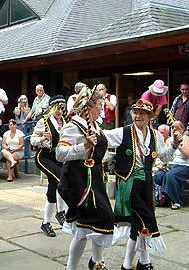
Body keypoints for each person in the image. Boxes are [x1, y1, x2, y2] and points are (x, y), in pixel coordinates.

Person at [104, 99, 182, 270]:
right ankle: (143, 262)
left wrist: (175, 145)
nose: (137, 116)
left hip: (147, 183)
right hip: (129, 184)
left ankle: (133, 264)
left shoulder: (156, 135)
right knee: (145, 220)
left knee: (137, 225)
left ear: (149, 116)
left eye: (142, 113)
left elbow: (165, 156)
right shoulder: (122, 132)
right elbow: (102, 137)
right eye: (135, 112)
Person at [56, 86, 115, 270]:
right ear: (89, 107)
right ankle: (73, 267)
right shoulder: (73, 126)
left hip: (94, 181)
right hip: (78, 181)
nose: (102, 107)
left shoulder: (96, 126)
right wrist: (83, 146)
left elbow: (101, 150)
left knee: (98, 222)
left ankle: (96, 263)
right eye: (99, 104)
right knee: (89, 224)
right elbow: (59, 153)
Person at [31, 95, 67, 237]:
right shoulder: (44, 121)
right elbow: (33, 140)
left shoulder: (66, 122)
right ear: (51, 108)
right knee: (60, 179)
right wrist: (43, 138)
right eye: (57, 107)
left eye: (62, 108)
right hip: (44, 157)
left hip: (59, 158)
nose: (59, 111)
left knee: (52, 190)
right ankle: (61, 212)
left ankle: (46, 223)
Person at [154, 121, 189, 210]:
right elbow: (166, 155)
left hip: (183, 166)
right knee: (159, 175)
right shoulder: (168, 140)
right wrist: (161, 164)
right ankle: (162, 199)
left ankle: (176, 201)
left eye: (177, 128)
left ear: (182, 129)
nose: (174, 130)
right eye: (172, 128)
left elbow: (188, 155)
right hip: (170, 165)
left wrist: (177, 145)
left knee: (170, 175)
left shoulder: (186, 139)